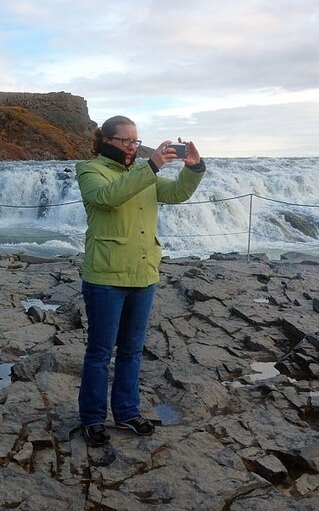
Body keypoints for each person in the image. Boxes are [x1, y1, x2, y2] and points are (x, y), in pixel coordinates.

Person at [76, 115, 205, 446]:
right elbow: (107, 198)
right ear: (106, 141)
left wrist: (193, 168)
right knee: (100, 352)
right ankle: (92, 418)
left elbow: (177, 194)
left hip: (144, 273)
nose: (132, 147)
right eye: (125, 141)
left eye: (135, 141)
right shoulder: (89, 171)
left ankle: (127, 412)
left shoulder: (142, 173)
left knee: (132, 351)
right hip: (105, 275)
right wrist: (150, 167)